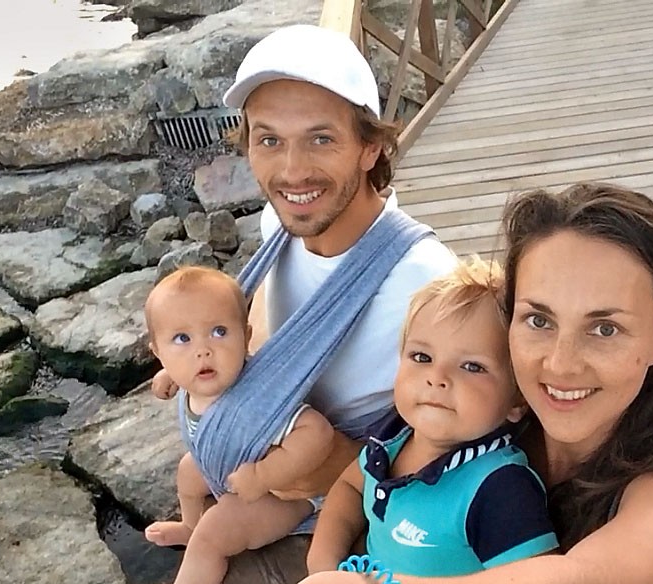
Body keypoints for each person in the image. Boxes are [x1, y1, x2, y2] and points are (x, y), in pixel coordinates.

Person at [245, 182, 653, 584]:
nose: (561, 364)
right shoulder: (492, 428)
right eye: (539, 320)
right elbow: (383, 480)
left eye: (604, 329)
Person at [151, 25, 457, 505]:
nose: (292, 171)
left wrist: (322, 465)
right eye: (269, 141)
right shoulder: (279, 224)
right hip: (259, 478)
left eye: (320, 139)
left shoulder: (424, 281)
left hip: (347, 511)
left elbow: (461, 457)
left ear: (370, 147)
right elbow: (259, 324)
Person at [306, 257, 558, 578]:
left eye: (472, 366)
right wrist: (323, 565)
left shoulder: (498, 488)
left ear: (518, 398)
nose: (437, 377)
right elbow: (350, 487)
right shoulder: (390, 441)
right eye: (422, 357)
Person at [130, 266, 338, 584]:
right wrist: (169, 376)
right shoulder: (194, 375)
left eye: (219, 332)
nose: (203, 351)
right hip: (226, 467)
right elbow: (189, 361)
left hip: (286, 496)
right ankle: (188, 526)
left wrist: (264, 475)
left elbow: (317, 433)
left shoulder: (257, 399)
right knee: (187, 473)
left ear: (247, 336)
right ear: (158, 352)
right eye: (182, 339)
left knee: (215, 530)